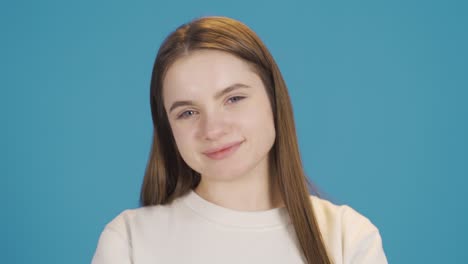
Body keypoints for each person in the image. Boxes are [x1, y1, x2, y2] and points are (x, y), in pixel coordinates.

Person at [91, 16, 388, 264]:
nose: (213, 129)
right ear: (167, 128)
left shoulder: (348, 237)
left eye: (234, 98)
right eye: (188, 112)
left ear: (274, 99)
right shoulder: (128, 241)